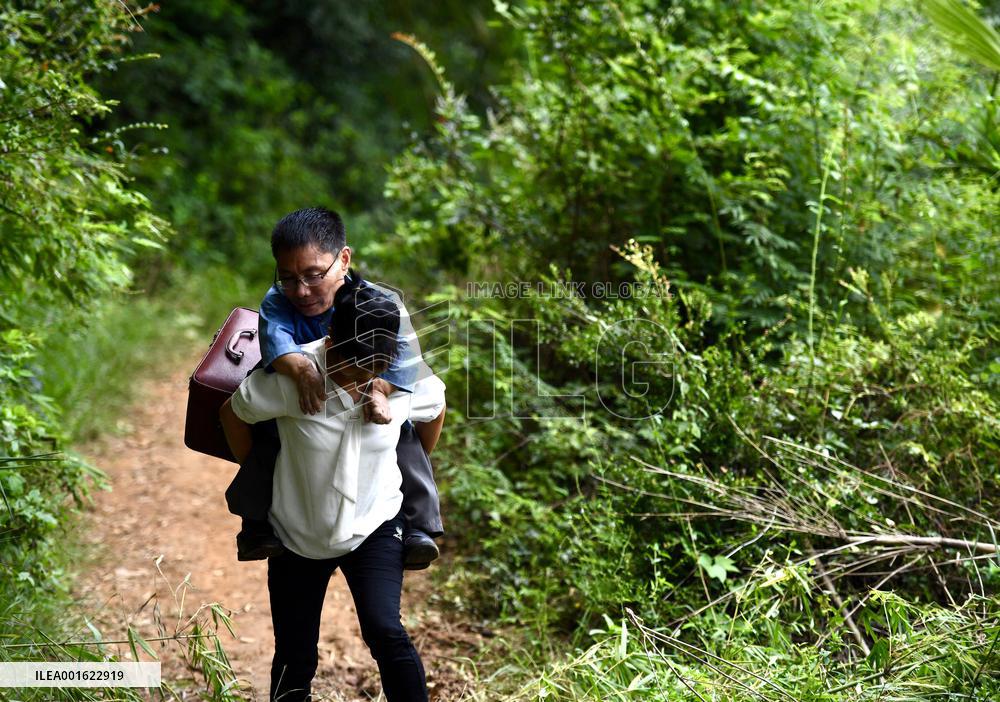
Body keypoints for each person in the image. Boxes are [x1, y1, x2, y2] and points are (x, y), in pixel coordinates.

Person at [219, 276, 445, 702]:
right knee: (296, 653)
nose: (352, 377)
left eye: (367, 369)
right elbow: (234, 413)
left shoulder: (402, 382)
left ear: (387, 361)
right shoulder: (292, 378)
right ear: (329, 338)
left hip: (376, 524)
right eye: (344, 362)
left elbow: (436, 407)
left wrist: (412, 456)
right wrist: (259, 471)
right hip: (297, 532)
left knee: (386, 631)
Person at [224, 207, 444, 569]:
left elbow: (409, 361)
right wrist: (303, 371)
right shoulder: (276, 301)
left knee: (403, 438)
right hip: (302, 401)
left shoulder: (380, 303)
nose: (301, 290)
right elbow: (275, 342)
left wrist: (380, 390)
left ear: (343, 259)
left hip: (367, 396)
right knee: (270, 445)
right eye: (288, 278)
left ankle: (418, 524)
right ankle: (257, 523)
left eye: (313, 275)